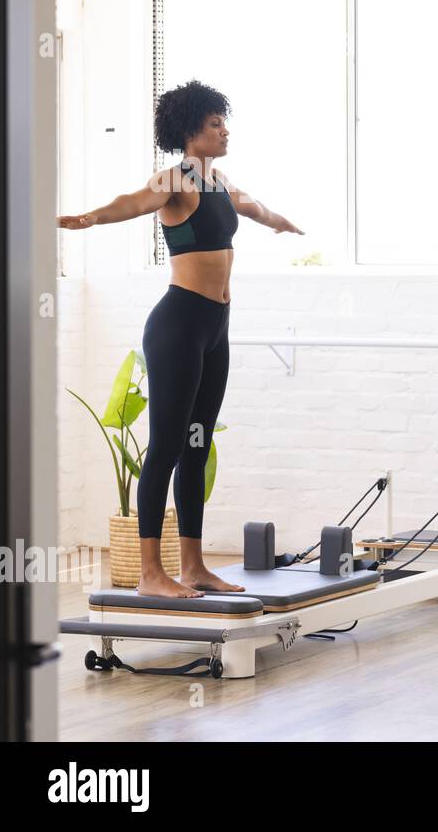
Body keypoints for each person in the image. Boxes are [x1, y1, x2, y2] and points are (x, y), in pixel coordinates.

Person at [58, 80, 303, 598]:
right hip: (178, 325)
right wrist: (91, 218)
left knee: (197, 443)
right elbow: (132, 202)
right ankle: (151, 573)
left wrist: (282, 223)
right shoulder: (176, 179)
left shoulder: (219, 183)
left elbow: (253, 206)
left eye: (223, 121)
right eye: (215, 123)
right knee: (167, 445)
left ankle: (193, 566)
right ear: (191, 131)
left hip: (216, 326)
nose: (225, 130)